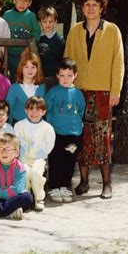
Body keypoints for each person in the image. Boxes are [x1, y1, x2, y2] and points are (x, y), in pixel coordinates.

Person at [64, 0, 124, 199]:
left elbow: (118, 63)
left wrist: (115, 90)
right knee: (82, 137)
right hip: (79, 92)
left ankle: (107, 184)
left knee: (102, 137)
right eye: (87, 5)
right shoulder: (74, 31)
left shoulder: (112, 30)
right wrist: (67, 88)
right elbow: (68, 62)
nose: (90, 8)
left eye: (95, 5)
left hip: (103, 93)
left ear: (101, 8)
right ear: (82, 8)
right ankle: (84, 182)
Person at [45, 58, 86, 203]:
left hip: (73, 134)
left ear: (75, 75)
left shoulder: (78, 94)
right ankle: (54, 186)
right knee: (56, 160)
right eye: (62, 75)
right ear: (57, 76)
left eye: (69, 75)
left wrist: (75, 126)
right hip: (56, 133)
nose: (65, 79)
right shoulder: (53, 92)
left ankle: (65, 186)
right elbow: (46, 109)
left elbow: (80, 111)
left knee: (69, 161)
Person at [14, 96, 55, 211]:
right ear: (26, 110)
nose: (34, 113)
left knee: (36, 173)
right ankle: (26, 197)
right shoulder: (19, 125)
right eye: (31, 109)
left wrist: (42, 155)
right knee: (25, 173)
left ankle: (39, 198)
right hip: (23, 157)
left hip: (39, 158)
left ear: (44, 112)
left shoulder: (48, 128)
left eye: (38, 110)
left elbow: (49, 145)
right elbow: (15, 143)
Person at [3, 0, 41, 81]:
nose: (22, 4)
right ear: (14, 0)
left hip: (24, 54)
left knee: (22, 77)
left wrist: (28, 49)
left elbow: (36, 34)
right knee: (8, 77)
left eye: (25, 1)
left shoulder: (31, 16)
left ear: (30, 3)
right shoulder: (7, 15)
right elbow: (1, 31)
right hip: (8, 53)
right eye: (20, 0)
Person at [6, 49, 45, 125]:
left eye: (33, 67)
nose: (30, 70)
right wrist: (9, 127)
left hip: (36, 126)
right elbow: (9, 108)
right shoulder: (14, 88)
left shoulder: (41, 88)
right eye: (26, 67)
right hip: (18, 125)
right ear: (21, 68)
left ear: (37, 69)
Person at [37, 5, 65, 89]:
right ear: (40, 22)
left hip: (55, 79)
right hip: (40, 78)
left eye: (51, 21)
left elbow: (62, 61)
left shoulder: (60, 40)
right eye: (44, 21)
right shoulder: (37, 40)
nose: (47, 24)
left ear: (55, 22)